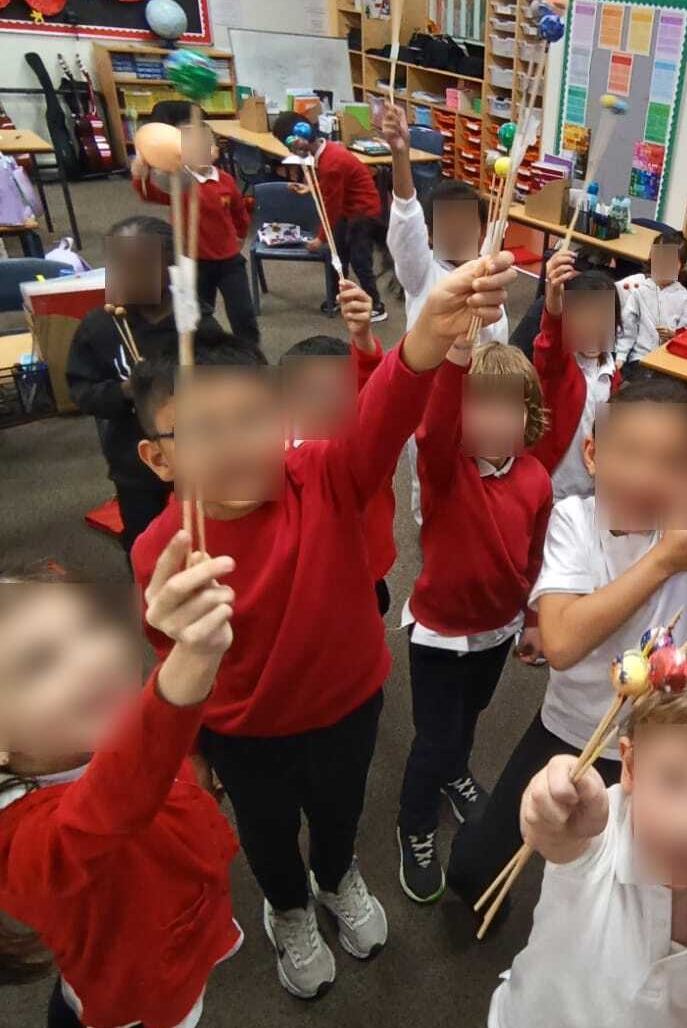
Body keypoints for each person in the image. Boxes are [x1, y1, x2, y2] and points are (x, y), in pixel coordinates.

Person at [129, 255, 517, 1000]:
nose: (239, 443)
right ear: (159, 459)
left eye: (252, 418)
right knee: (269, 839)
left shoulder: (326, 474)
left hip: (347, 710)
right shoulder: (161, 551)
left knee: (341, 816)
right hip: (248, 734)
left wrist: (426, 333)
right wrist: (196, 750)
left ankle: (337, 878)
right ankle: (287, 909)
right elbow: (169, 662)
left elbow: (388, 407)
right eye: (206, 430)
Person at [446, 376, 687, 913]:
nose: (644, 476)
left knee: (625, 895)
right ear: (593, 453)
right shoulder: (576, 520)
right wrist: (665, 559)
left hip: (661, 751)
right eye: (628, 453)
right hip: (569, 729)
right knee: (471, 876)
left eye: (669, 463)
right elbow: (560, 642)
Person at [0, 537, 241, 1028]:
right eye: (39, 663)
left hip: (185, 921)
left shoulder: (106, 726)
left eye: (91, 626)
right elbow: (112, 804)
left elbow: (153, 752)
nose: (96, 658)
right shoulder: (23, 843)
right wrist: (189, 665)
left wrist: (179, 638)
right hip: (137, 996)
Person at [489, 654, 687, 1028]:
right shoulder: (597, 834)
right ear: (630, 766)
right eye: (673, 780)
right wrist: (552, 801)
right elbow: (559, 831)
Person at [396, 341, 552, 903]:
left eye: (507, 406)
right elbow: (431, 427)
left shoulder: (536, 478)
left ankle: (455, 772)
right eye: (478, 405)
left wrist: (532, 616)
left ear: (527, 414)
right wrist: (456, 355)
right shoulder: (444, 469)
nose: (493, 419)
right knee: (433, 736)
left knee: (470, 717)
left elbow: (535, 558)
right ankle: (413, 822)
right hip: (439, 634)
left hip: (497, 631)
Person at [380, 100, 509, 519]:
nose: (456, 232)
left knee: (482, 469)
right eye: (444, 225)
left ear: (481, 229)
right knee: (432, 472)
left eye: (465, 223)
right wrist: (401, 154)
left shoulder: (490, 271)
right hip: (434, 397)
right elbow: (405, 216)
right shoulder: (422, 273)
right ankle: (430, 524)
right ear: (432, 234)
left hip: (482, 393)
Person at [66, 215, 216, 559]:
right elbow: (82, 392)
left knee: (206, 536)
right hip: (134, 461)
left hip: (198, 454)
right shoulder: (100, 325)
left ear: (170, 268)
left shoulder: (196, 322)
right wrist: (124, 391)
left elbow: (227, 383)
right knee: (145, 543)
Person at [281, 279, 396, 616]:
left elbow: (384, 399)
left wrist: (363, 341)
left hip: (361, 563)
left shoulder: (364, 445)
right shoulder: (276, 440)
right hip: (304, 569)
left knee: (370, 612)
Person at [130, 105, 258, 343]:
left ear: (215, 152)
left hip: (229, 260)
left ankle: (251, 351)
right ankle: (204, 352)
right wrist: (140, 176)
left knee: (243, 313)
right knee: (198, 313)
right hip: (195, 260)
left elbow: (240, 212)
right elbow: (150, 195)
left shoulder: (226, 181)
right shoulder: (179, 182)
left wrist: (240, 236)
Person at [271, 111, 388, 322]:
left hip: (362, 212)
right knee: (338, 256)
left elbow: (330, 207)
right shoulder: (324, 151)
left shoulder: (330, 162)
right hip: (347, 207)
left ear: (297, 141)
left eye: (286, 144)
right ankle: (337, 296)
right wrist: (311, 187)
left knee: (360, 260)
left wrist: (320, 237)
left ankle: (376, 305)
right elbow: (331, 187)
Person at [531, 248, 622, 500]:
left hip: (591, 488)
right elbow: (548, 342)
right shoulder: (560, 365)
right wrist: (553, 302)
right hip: (553, 486)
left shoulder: (611, 373)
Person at [616, 228, 687, 373]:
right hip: (639, 359)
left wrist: (674, 335)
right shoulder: (640, 291)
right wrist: (621, 357)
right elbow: (628, 327)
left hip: (669, 362)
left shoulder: (685, 298)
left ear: (682, 266)